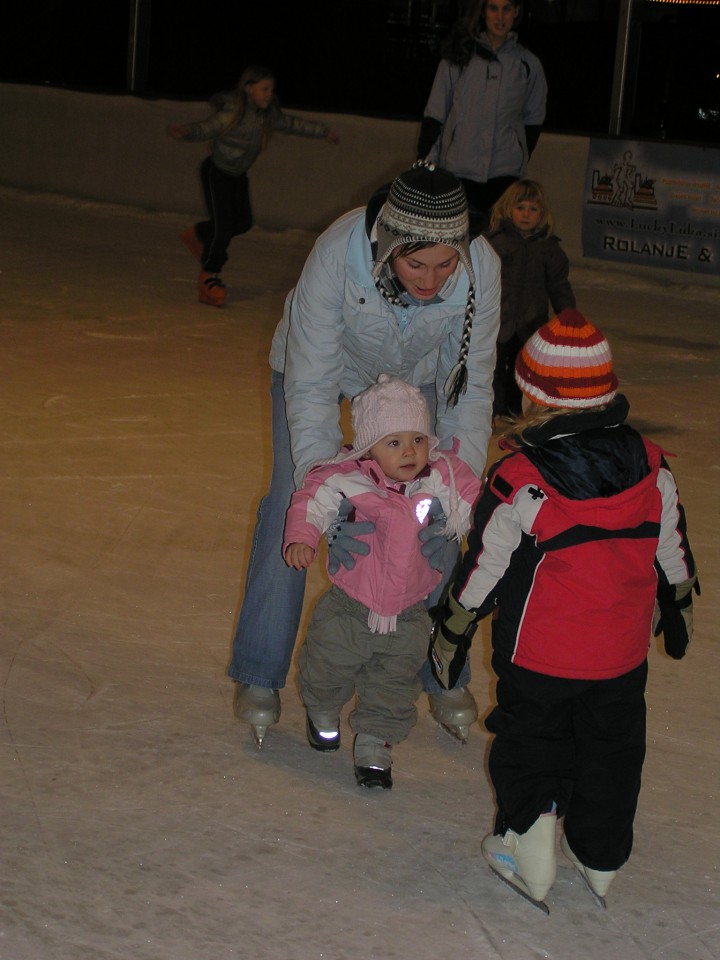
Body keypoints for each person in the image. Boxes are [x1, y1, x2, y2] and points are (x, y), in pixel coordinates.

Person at [429, 309, 698, 911]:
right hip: (621, 656)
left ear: (531, 392)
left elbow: (485, 567)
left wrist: (453, 624)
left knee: (534, 740)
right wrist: (678, 601)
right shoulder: (653, 465)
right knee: (611, 747)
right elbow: (671, 546)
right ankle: (601, 855)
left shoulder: (520, 478)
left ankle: (530, 846)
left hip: (540, 655)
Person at [228, 161, 501, 748]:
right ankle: (261, 671)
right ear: (387, 247)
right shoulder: (338, 254)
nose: (430, 281)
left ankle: (440, 668)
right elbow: (311, 383)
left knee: (437, 513)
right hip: (324, 376)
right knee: (289, 505)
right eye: (415, 264)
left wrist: (457, 491)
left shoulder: (482, 268)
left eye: (445, 264)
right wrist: (328, 499)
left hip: (418, 385)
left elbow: (470, 386)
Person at [284, 375, 482, 789]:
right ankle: (322, 712)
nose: (409, 452)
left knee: (394, 683)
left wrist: (462, 529)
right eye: (393, 442)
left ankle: (375, 742)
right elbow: (311, 501)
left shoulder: (440, 475)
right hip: (349, 605)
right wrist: (303, 537)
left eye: (417, 439)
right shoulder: (347, 478)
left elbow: (474, 501)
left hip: (409, 612)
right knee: (327, 665)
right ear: (368, 448)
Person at [167, 64, 339, 307]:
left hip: (237, 175)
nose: (269, 94)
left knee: (243, 222)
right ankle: (209, 278)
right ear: (249, 89)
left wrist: (323, 131)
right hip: (217, 172)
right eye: (264, 89)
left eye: (271, 89)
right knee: (224, 227)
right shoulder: (233, 111)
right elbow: (208, 127)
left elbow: (293, 124)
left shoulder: (268, 116)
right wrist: (187, 132)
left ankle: (198, 235)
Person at [417, 0, 547, 237]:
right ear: (483, 13)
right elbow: (435, 113)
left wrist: (518, 153)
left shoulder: (529, 65)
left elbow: (534, 119)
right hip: (458, 170)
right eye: (493, 8)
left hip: (504, 176)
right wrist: (424, 161)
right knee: (456, 242)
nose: (500, 16)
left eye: (507, 8)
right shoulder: (457, 58)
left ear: (516, 12)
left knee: (500, 248)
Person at [484, 179, 575, 420]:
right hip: (497, 319)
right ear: (507, 209)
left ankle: (515, 408)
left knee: (522, 369)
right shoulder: (493, 243)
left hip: (531, 322)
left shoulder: (548, 249)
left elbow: (558, 285)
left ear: (542, 214)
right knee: (491, 367)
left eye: (533, 209)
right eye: (520, 208)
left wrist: (568, 313)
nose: (526, 214)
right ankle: (492, 410)